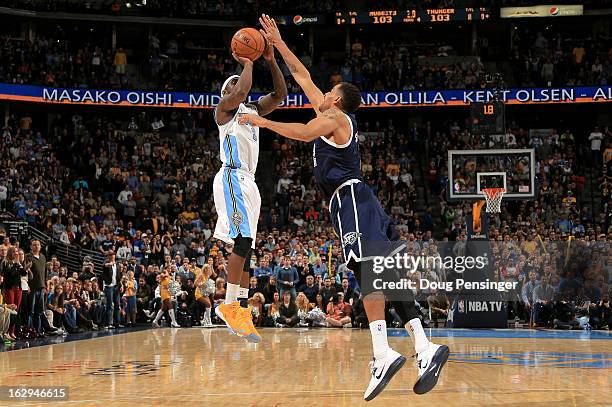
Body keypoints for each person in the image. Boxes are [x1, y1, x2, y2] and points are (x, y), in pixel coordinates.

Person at [239, 14, 449, 400]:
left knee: (369, 273)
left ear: (335, 99)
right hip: (362, 201)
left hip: (351, 200)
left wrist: (261, 123)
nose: (319, 93)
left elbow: (303, 133)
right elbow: (302, 76)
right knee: (387, 277)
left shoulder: (334, 117)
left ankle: (382, 353)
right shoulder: (334, 113)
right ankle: (424, 347)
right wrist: (280, 44)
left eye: (328, 91)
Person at [213, 37, 288, 344]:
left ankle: (241, 307)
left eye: (237, 84)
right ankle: (228, 305)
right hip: (231, 177)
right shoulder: (224, 110)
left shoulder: (253, 109)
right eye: (231, 86)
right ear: (225, 95)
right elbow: (241, 90)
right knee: (242, 241)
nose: (237, 88)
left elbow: (281, 94)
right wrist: (247, 62)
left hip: (249, 182)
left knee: (248, 247)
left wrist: (270, 60)